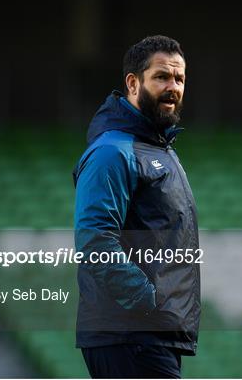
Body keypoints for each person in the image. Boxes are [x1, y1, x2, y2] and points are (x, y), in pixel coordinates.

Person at [72, 35, 200, 378]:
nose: (172, 86)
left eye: (179, 79)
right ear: (133, 82)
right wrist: (149, 300)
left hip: (149, 335)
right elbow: (94, 241)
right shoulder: (113, 151)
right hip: (129, 335)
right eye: (161, 77)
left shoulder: (161, 151)